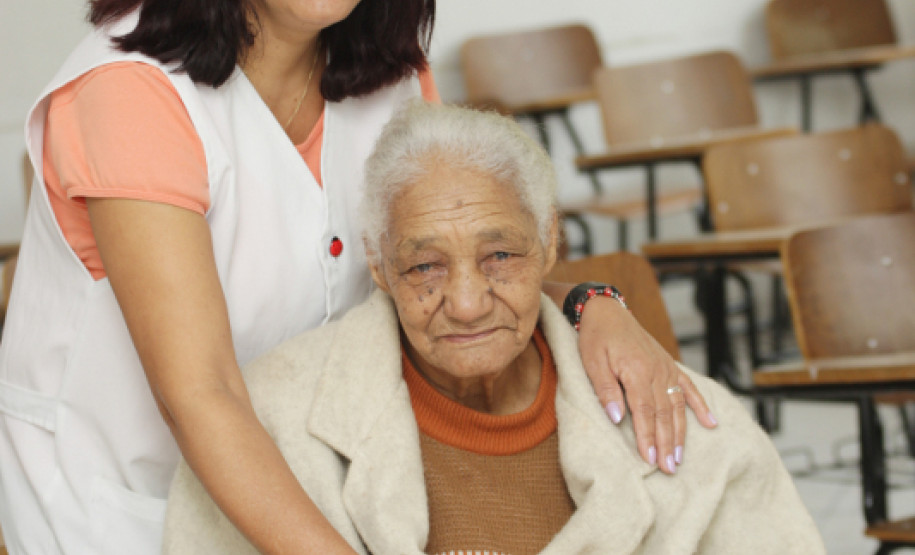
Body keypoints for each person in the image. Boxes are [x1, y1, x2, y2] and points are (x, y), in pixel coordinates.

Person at [0, 1, 715, 553]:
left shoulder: (391, 76)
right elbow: (201, 393)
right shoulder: (128, 92)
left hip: (311, 479)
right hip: (119, 498)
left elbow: (455, 280)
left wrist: (596, 307)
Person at [162, 101, 825, 554]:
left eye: (500, 256)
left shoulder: (684, 420)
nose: (468, 302)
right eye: (424, 265)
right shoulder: (275, 419)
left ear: (549, 244)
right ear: (379, 265)